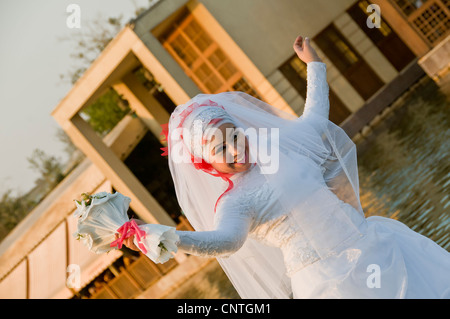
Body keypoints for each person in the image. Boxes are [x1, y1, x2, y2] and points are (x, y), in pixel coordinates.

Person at [119, 36, 450, 298]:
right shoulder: (236, 203)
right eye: (221, 148)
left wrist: (314, 65)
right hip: (328, 288)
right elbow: (225, 241)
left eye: (234, 135)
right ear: (207, 163)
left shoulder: (285, 149)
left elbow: (315, 117)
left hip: (374, 247)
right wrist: (163, 238)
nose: (235, 148)